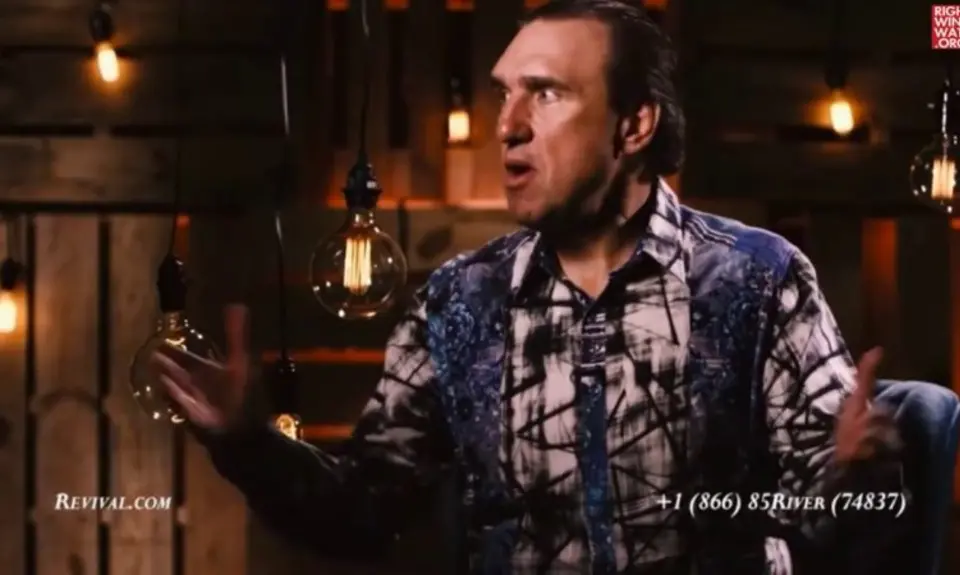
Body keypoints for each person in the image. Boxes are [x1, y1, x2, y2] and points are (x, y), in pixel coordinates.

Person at [154, 1, 905, 573]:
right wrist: (248, 444)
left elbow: (837, 522)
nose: (507, 125)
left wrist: (856, 471)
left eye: (544, 94)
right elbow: (363, 513)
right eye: (503, 94)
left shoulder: (755, 278)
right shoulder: (460, 303)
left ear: (634, 124)